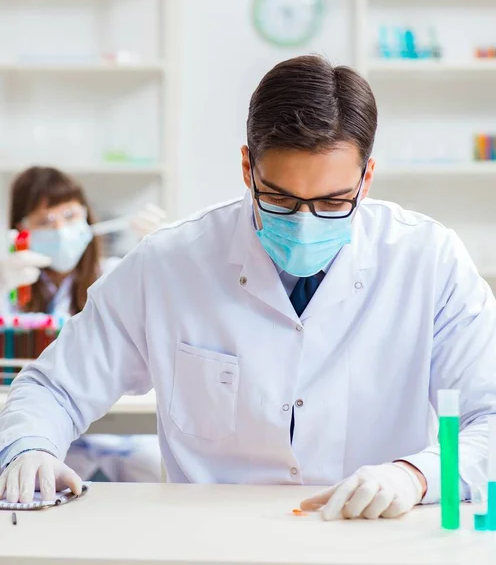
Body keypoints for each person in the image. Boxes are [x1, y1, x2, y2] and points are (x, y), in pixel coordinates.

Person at [0, 56, 495, 520]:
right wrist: (29, 448)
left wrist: (415, 477)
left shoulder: (428, 259)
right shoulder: (169, 262)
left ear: (366, 179)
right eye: (279, 199)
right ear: (246, 168)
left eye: (332, 203)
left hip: (376, 537)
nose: (304, 223)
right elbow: (53, 387)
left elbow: (490, 418)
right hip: (211, 540)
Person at [0, 166, 163, 483]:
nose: (61, 230)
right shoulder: (11, 281)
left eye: (71, 216)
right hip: (44, 432)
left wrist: (160, 253)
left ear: (88, 219)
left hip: (121, 436)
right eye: (45, 222)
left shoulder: (114, 276)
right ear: (21, 230)